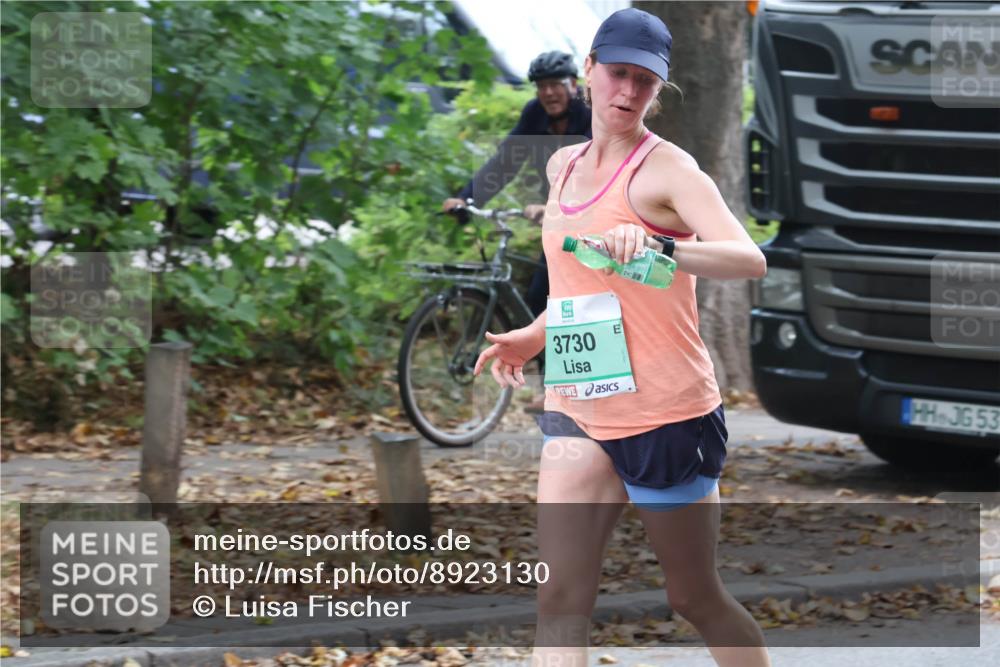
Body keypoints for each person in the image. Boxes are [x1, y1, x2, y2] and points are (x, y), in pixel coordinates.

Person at [473, 8, 771, 667]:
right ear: (589, 70)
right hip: (580, 407)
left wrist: (665, 248)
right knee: (560, 600)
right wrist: (532, 334)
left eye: (645, 81)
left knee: (693, 596)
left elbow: (748, 258)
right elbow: (579, 285)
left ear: (659, 89)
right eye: (617, 74)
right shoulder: (564, 168)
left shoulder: (669, 171)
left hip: (667, 415)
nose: (628, 92)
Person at [442, 50, 592, 318]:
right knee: (539, 298)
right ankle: (549, 360)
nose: (548, 93)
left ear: (572, 83)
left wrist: (554, 206)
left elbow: (596, 172)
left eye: (555, 84)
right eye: (541, 86)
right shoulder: (535, 114)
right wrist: (467, 199)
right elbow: (505, 163)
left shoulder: (592, 114)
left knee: (585, 299)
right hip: (559, 223)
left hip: (598, 217)